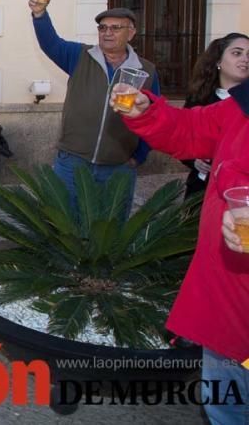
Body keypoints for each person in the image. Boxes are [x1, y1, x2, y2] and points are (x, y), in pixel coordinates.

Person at [114, 81, 249, 424]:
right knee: (227, 408)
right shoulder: (241, 106)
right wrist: (148, 112)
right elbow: (191, 129)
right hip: (228, 307)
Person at [28, 0, 160, 214]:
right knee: (64, 224)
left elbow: (155, 117)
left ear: (131, 33)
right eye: (102, 28)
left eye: (115, 28)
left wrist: (139, 157)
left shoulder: (146, 71)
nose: (107, 33)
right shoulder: (80, 56)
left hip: (119, 166)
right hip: (72, 162)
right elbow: (51, 44)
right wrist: (40, 15)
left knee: (111, 230)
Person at [181, 32, 249, 199]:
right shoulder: (199, 99)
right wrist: (194, 160)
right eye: (237, 53)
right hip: (201, 190)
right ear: (218, 61)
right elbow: (182, 138)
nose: (245, 59)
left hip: (241, 192)